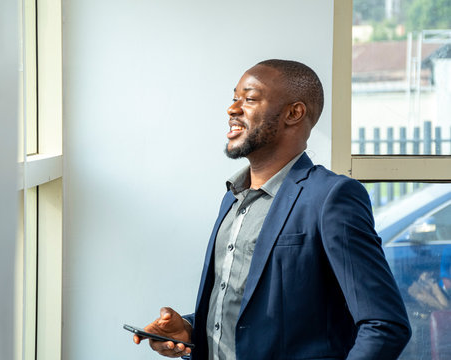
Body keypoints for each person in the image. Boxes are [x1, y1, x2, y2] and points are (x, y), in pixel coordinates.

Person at [132, 59, 411, 359]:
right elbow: (252, 317)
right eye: (234, 98)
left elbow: (384, 323)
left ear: (294, 113)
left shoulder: (331, 197)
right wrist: (190, 330)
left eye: (249, 98)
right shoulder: (232, 198)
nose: (233, 109)